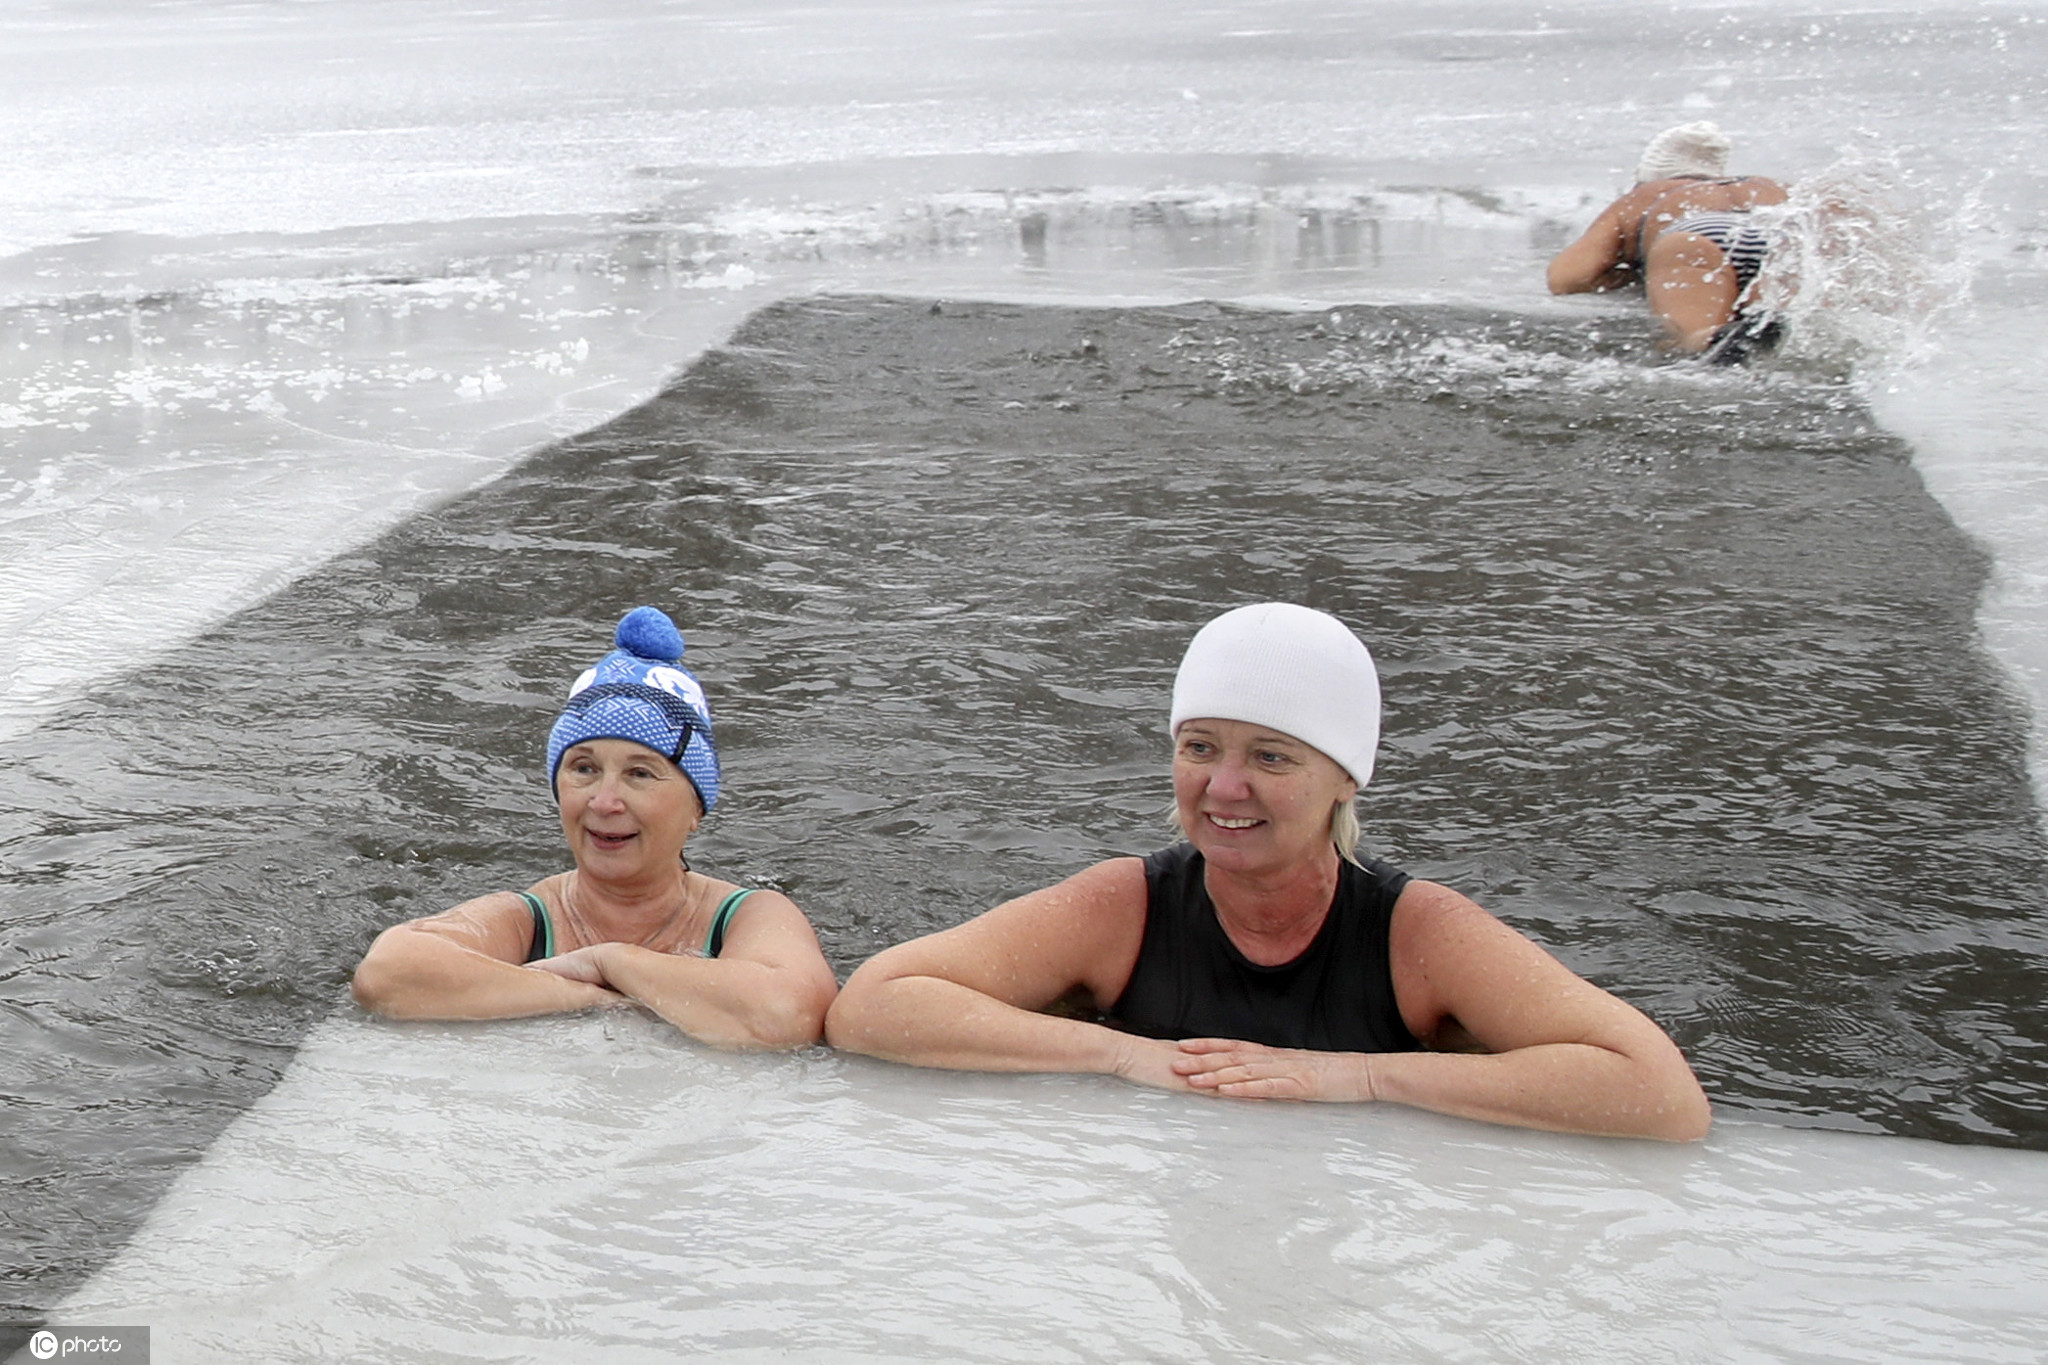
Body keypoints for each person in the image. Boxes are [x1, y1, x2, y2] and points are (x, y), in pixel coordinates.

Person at [826, 603, 1712, 1141]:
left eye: (1273, 757)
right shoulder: (1126, 904)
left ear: (1343, 780)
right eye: (1199, 747)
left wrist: (1360, 1077)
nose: (1224, 787)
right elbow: (875, 1004)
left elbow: (1659, 1094)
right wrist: (1124, 1055)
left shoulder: (1416, 932)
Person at [352, 606, 838, 1049]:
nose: (604, 802)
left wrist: (609, 962)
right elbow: (389, 976)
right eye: (584, 769)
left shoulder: (743, 917)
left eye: (640, 774)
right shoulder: (532, 920)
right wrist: (593, 998)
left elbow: (788, 1015)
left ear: (696, 808)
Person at [1548, 121, 1788, 362]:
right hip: (1776, 237)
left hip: (1696, 238)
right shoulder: (1768, 186)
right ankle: (1766, 320)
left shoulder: (1646, 194)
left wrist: (1639, 273)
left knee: (1688, 338)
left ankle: (1716, 337)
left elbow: (1567, 278)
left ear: (1646, 177)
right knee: (1780, 316)